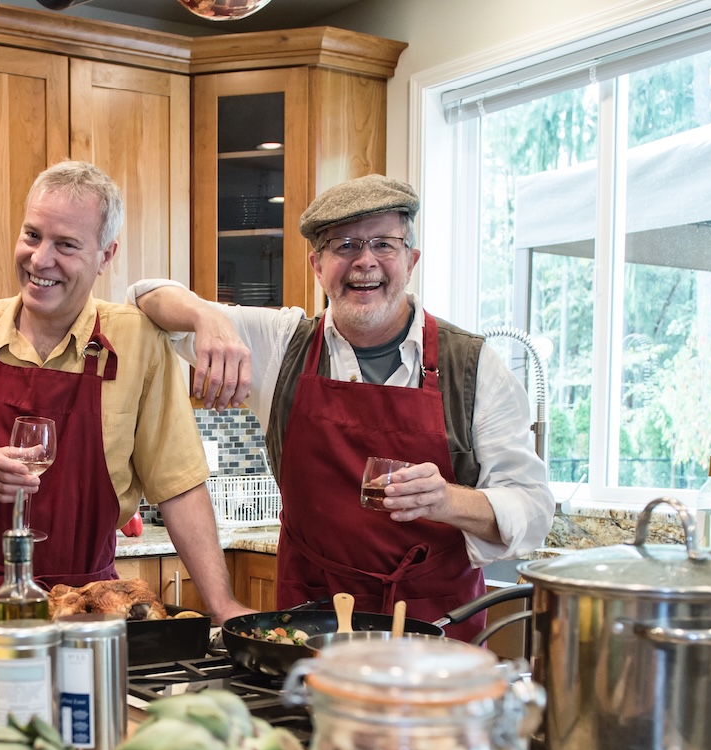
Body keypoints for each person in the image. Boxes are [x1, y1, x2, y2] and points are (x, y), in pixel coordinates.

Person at [128, 174, 552, 640]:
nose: (365, 261)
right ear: (317, 264)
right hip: (310, 630)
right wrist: (205, 315)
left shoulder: (474, 368)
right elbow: (143, 297)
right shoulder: (283, 344)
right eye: (344, 245)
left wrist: (447, 500)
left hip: (435, 637)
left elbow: (532, 510)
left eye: (384, 244)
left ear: (411, 260)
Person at [0, 161, 250, 661]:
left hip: (87, 612)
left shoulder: (138, 343)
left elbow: (179, 485)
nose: (40, 259)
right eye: (32, 235)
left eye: (66, 244)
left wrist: (222, 605)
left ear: (107, 255)